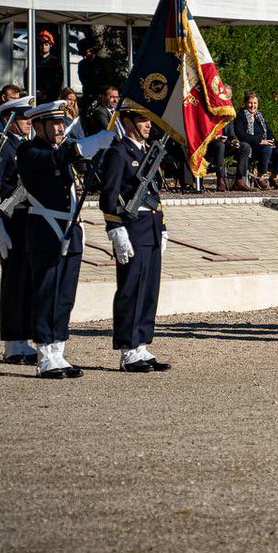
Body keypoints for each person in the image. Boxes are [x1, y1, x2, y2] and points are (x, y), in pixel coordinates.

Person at [17, 100, 116, 377]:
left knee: (64, 295)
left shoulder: (61, 150)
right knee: (47, 291)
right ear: (38, 126)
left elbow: (71, 162)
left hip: (70, 229)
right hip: (46, 229)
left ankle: (59, 349)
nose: (61, 128)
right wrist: (87, 144)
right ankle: (45, 353)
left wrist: (98, 151)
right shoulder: (29, 151)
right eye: (54, 124)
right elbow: (54, 160)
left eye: (62, 123)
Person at [99, 103, 172, 371]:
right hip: (132, 228)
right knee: (131, 289)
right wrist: (115, 230)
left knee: (149, 289)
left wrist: (162, 226)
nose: (147, 124)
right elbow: (108, 196)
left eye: (148, 120)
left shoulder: (147, 152)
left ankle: (142, 344)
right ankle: (128, 349)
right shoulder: (119, 152)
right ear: (128, 122)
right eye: (142, 120)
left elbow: (154, 193)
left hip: (150, 227)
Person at [0, 95, 38, 365]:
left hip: (28, 219)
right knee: (13, 282)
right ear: (10, 119)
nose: (27, 122)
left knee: (26, 281)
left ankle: (23, 339)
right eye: (22, 117)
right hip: (11, 219)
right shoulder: (4, 148)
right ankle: (12, 343)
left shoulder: (25, 146)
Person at [232, 91, 278, 191]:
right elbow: (241, 135)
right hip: (251, 145)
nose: (253, 106)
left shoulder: (259, 116)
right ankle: (260, 177)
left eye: (255, 103)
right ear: (245, 103)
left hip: (263, 144)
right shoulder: (240, 116)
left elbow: (269, 131)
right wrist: (260, 141)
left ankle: (273, 177)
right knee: (266, 149)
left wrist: (273, 141)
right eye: (250, 103)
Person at [208, 120, 249, 192]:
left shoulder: (228, 116)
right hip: (212, 145)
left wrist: (234, 141)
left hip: (225, 144)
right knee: (221, 145)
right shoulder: (210, 116)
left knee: (245, 147)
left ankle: (239, 181)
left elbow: (231, 134)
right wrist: (215, 138)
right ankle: (221, 181)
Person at [36, 29, 63, 100]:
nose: (43, 46)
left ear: (50, 45)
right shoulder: (34, 61)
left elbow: (58, 81)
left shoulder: (55, 62)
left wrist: (48, 93)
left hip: (51, 97)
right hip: (36, 96)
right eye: (41, 44)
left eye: (46, 44)